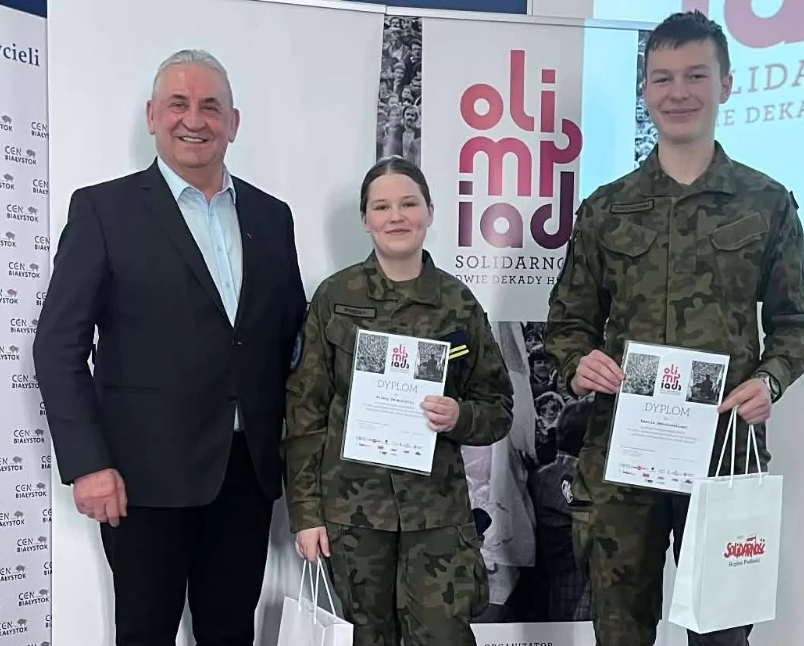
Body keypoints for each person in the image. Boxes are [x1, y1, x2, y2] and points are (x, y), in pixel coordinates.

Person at [543, 11, 804, 646]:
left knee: (722, 632)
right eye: (663, 78)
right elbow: (568, 322)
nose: (679, 92)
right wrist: (578, 361)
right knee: (620, 631)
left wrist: (771, 381)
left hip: (723, 451)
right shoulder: (607, 209)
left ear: (726, 84)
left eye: (696, 75)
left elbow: (800, 324)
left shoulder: (766, 203)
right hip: (623, 452)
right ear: (644, 91)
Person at [33, 49, 306, 646]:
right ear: (153, 117)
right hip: (139, 478)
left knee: (231, 632)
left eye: (211, 106)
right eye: (178, 104)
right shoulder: (104, 209)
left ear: (233, 123)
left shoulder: (272, 216)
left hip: (247, 474)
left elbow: (294, 341)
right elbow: (58, 346)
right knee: (145, 632)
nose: (195, 119)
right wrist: (87, 463)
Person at [283, 156, 513, 646]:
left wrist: (459, 415)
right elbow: (305, 412)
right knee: (369, 638)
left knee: (444, 637)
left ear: (430, 211)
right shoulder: (335, 298)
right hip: (354, 515)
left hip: (437, 517)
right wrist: (307, 515)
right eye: (381, 206)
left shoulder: (458, 303)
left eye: (409, 203)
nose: (396, 216)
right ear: (365, 219)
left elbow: (497, 406)